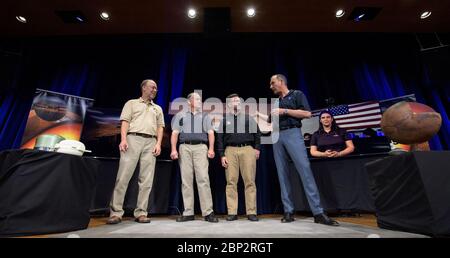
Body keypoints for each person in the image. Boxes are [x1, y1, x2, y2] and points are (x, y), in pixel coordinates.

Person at [256, 74, 339, 226]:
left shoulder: (297, 94)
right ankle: (288, 211)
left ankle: (318, 212)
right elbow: (270, 120)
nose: (270, 86)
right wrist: (257, 115)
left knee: (305, 170)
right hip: (277, 136)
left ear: (281, 82)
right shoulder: (276, 102)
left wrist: (285, 111)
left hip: (293, 133)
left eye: (272, 83)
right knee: (282, 174)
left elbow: (307, 113)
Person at [107, 79, 165, 224]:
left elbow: (160, 127)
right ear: (144, 88)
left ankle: (141, 212)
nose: (154, 90)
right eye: (152, 87)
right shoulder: (131, 103)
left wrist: (158, 143)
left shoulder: (157, 108)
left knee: (146, 180)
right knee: (123, 176)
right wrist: (123, 139)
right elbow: (125, 122)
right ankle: (116, 213)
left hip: (151, 142)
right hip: (133, 139)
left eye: (156, 88)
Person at [170, 92, 219, 223]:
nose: (199, 101)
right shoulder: (180, 116)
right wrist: (174, 149)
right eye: (196, 99)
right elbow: (175, 133)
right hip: (184, 148)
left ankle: (208, 212)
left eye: (200, 99)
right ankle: (188, 212)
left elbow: (211, 133)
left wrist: (211, 148)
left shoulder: (205, 116)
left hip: (201, 148)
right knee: (186, 180)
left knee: (203, 178)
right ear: (188, 102)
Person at [217, 93, 261, 222]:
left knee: (250, 181)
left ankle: (251, 212)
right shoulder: (224, 120)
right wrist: (222, 155)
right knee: (231, 182)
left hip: (248, 149)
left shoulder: (249, 118)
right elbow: (219, 139)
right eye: (233, 101)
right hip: (230, 150)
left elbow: (257, 134)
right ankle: (232, 212)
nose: (236, 102)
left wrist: (257, 149)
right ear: (229, 104)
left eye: (238, 100)